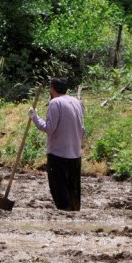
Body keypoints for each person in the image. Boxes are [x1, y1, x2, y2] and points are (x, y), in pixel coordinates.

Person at [29, 78, 85, 211]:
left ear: (52, 89)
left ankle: (65, 219)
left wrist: (34, 117)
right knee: (73, 194)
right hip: (75, 155)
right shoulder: (77, 102)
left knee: (60, 193)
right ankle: (74, 218)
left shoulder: (55, 103)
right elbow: (83, 130)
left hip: (58, 155)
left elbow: (49, 128)